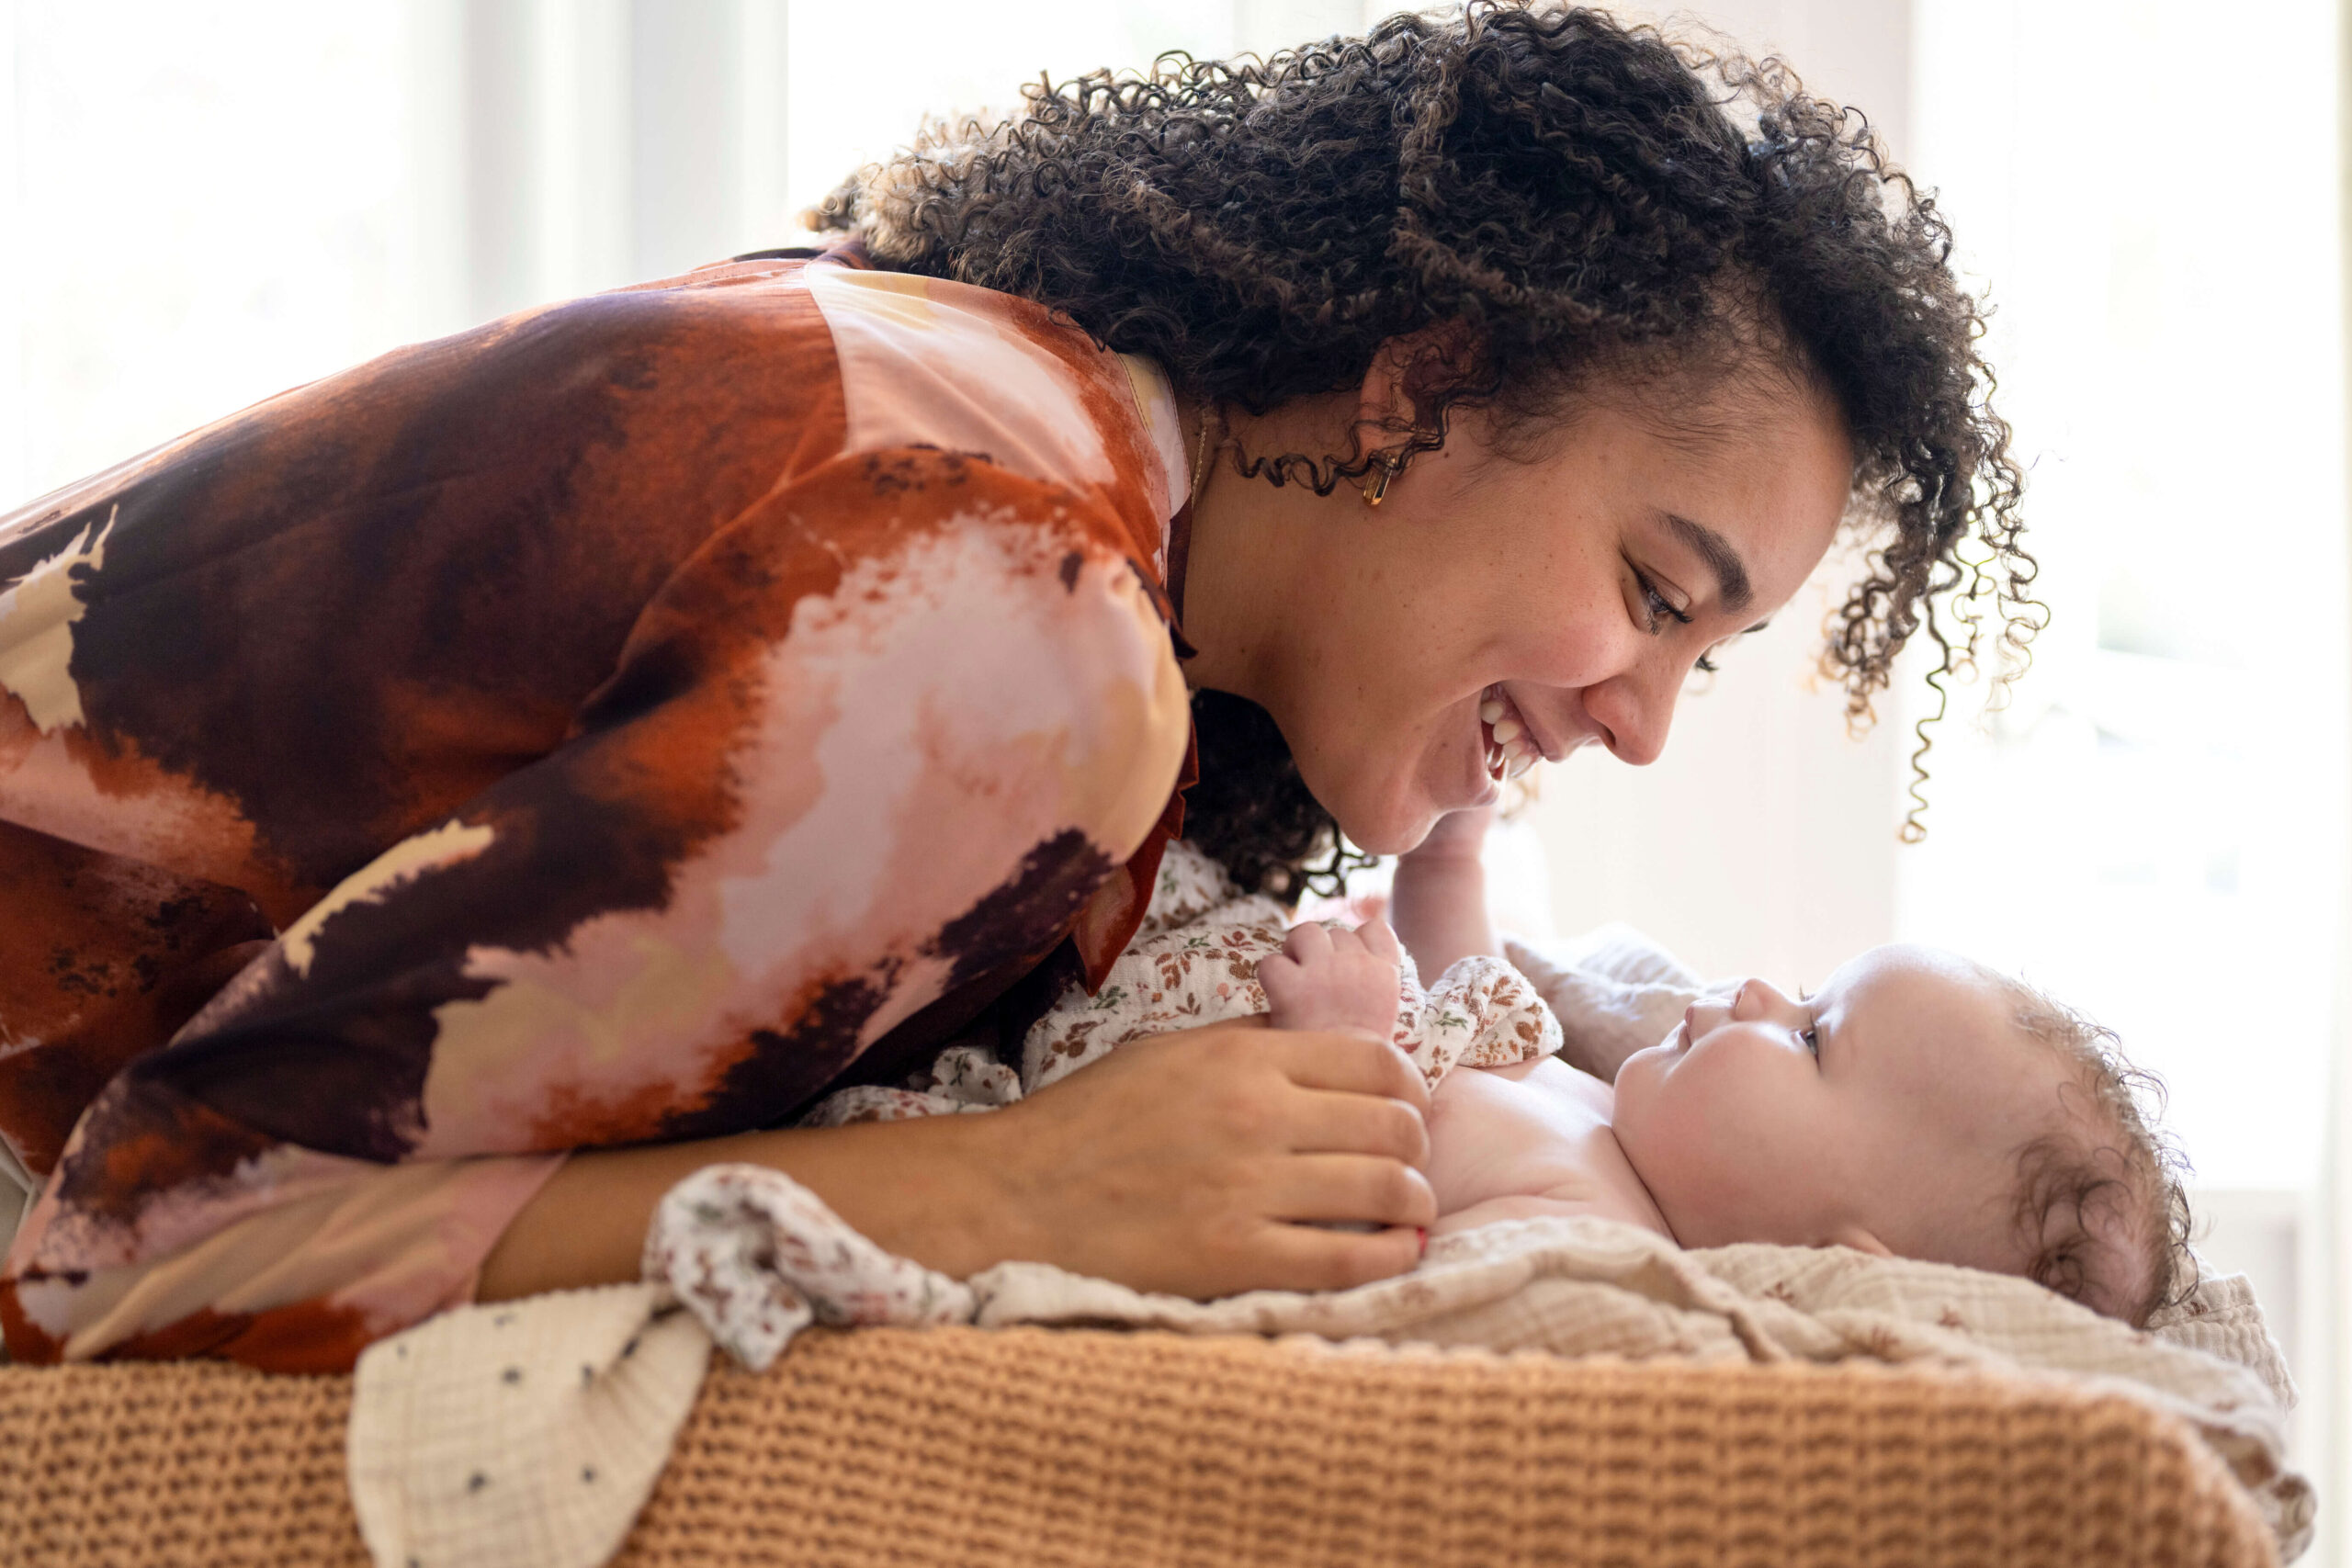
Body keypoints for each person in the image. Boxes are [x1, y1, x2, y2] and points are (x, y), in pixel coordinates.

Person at [0, 4, 2034, 1371]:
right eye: (1651, 588)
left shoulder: (1032, 431)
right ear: (1424, 388)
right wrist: (1004, 1188)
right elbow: (150, 1230)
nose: (1644, 717)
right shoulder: (1008, 616)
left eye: (1709, 652)